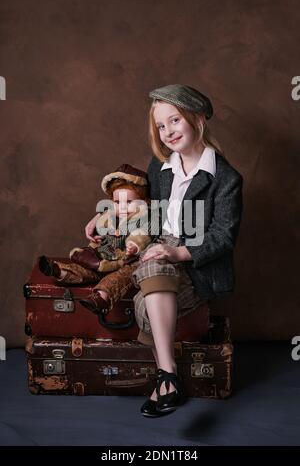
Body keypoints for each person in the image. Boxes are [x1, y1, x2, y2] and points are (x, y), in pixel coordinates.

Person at [85, 84, 243, 417]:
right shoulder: (159, 168)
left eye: (175, 121)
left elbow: (221, 238)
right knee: (153, 264)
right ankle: (169, 380)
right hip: (155, 252)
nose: (168, 132)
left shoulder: (225, 178)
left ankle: (165, 378)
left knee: (144, 302)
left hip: (195, 264)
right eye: (161, 125)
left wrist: (176, 253)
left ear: (198, 118)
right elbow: (139, 207)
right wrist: (103, 218)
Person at [39, 164, 153, 313]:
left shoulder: (144, 217)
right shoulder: (112, 214)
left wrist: (134, 245)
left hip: (128, 261)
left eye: (129, 202)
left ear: (144, 201)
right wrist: (99, 235)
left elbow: (142, 235)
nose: (123, 207)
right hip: (106, 257)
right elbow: (103, 224)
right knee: (87, 269)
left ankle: (101, 297)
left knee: (119, 278)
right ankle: (58, 270)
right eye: (118, 203)